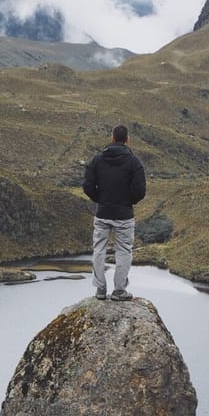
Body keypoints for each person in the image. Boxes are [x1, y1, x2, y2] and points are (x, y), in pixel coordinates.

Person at [83, 124, 146, 301]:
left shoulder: (97, 159)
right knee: (124, 251)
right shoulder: (134, 162)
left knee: (99, 249)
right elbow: (140, 190)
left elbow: (87, 185)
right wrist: (128, 202)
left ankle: (100, 290)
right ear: (127, 139)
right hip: (124, 215)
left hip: (103, 213)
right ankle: (119, 291)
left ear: (112, 138)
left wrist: (100, 199)